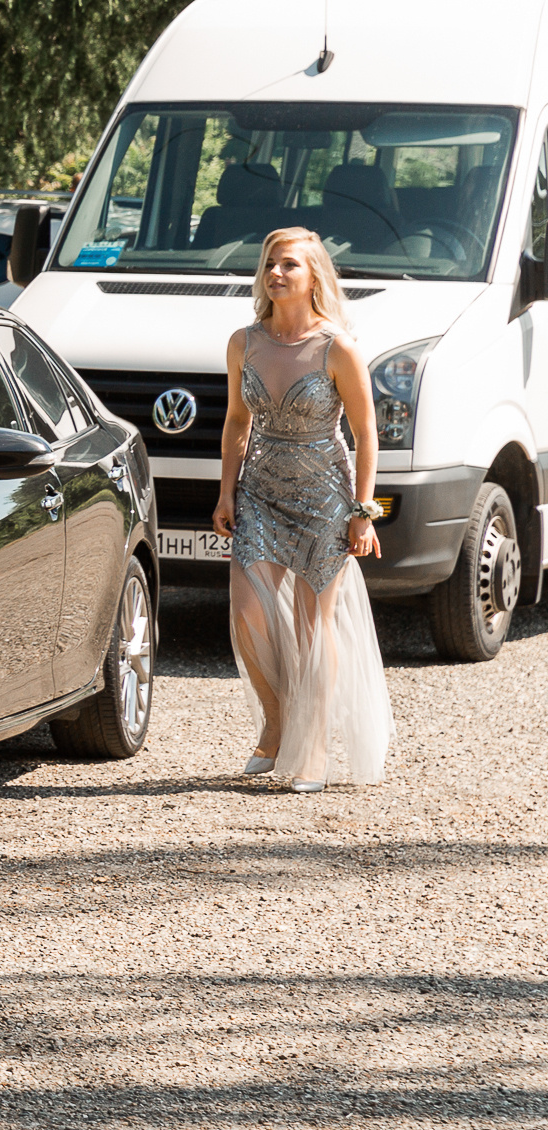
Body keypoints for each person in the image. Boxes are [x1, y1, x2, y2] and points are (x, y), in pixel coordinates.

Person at [210, 228, 392, 793]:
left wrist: (363, 512)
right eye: (269, 263)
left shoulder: (338, 348)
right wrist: (225, 491)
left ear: (313, 276)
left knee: (313, 624)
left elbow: (366, 434)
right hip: (260, 490)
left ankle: (309, 750)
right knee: (248, 613)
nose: (276, 273)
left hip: (323, 498)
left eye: (288, 264)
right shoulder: (244, 341)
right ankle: (276, 720)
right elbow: (238, 421)